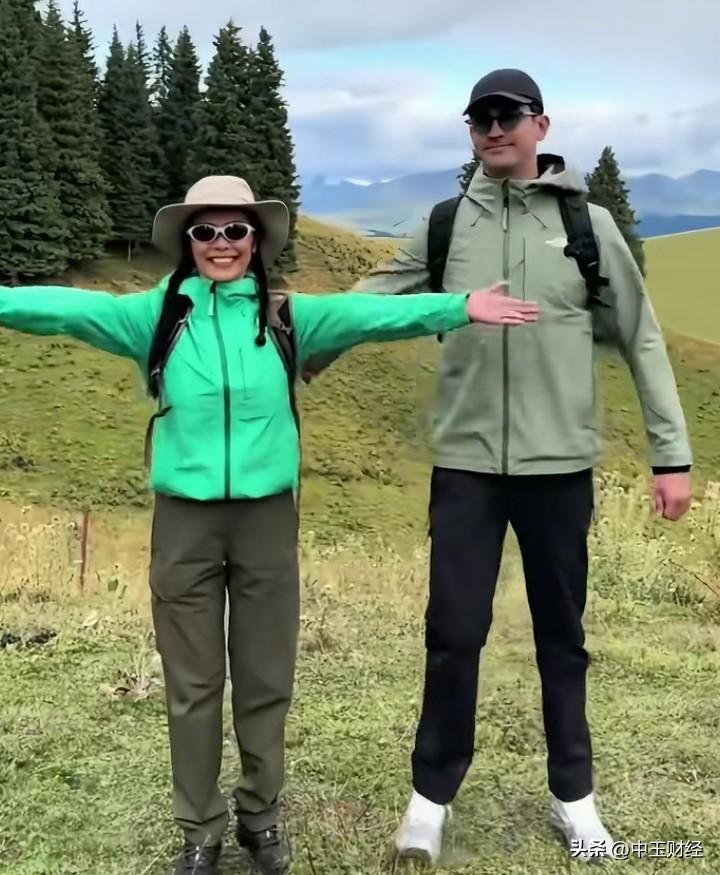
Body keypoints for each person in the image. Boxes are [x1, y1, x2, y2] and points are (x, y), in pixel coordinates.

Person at [0, 175, 539, 875]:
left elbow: (372, 319)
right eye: (206, 231)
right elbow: (64, 310)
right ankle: (200, 829)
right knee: (193, 686)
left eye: (235, 230)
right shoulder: (154, 316)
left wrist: (465, 304)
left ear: (255, 240)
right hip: (183, 525)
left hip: (266, 523)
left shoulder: (288, 317)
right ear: (187, 242)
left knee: (264, 680)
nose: (220, 244)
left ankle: (262, 817)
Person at [302, 70, 693, 865]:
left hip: (560, 466)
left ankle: (573, 797)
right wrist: (301, 345)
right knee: (452, 630)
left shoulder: (588, 225)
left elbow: (641, 337)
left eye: (507, 115)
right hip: (468, 465)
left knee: (562, 635)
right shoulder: (447, 224)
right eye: (479, 117)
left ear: (541, 125)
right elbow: (376, 297)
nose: (492, 128)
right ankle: (430, 799)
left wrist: (671, 454)